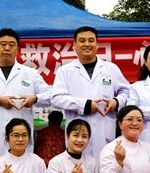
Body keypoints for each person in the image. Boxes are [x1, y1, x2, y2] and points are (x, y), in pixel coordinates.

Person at [0, 28, 51, 160]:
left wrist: (35, 99)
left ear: (18, 49)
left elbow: (52, 96)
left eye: (11, 45)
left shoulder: (30, 73)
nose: (7, 48)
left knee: (21, 172)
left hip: (20, 142)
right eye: (3, 44)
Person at [52, 26, 130, 159]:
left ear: (97, 44)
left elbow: (127, 92)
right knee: (79, 170)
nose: (87, 44)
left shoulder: (111, 69)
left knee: (106, 167)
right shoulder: (65, 71)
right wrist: (85, 105)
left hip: (105, 134)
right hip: (77, 137)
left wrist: (116, 102)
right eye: (82, 41)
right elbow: (56, 98)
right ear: (74, 45)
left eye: (91, 40)